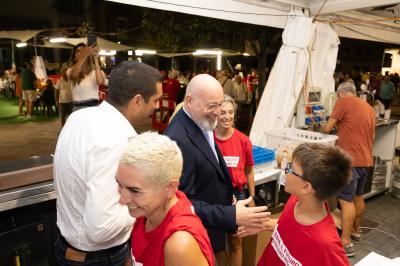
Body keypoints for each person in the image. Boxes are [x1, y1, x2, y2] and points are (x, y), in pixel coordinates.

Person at [53, 61, 163, 266]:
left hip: (68, 247)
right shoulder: (117, 140)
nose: (157, 107)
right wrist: (148, 205)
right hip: (98, 257)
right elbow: (101, 228)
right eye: (156, 100)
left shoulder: (78, 117)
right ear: (138, 100)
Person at [165, 74, 269, 266]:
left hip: (214, 222)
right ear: (189, 101)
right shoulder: (178, 139)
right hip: (199, 231)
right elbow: (180, 203)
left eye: (220, 104)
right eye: (212, 106)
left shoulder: (200, 119)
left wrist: (227, 197)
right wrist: (230, 214)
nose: (218, 112)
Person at [117, 132, 215, 266]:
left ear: (169, 188)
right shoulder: (148, 209)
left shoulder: (179, 244)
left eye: (134, 190)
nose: (122, 200)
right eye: (119, 185)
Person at [253, 143, 351, 266]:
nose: (285, 170)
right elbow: (292, 228)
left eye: (291, 169)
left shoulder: (326, 245)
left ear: (306, 187)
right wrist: (264, 224)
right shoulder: (296, 199)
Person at [321, 81, 375, 257]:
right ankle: (355, 231)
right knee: (358, 196)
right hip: (366, 160)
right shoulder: (368, 107)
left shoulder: (343, 102)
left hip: (350, 161)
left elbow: (327, 128)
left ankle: (345, 242)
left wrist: (322, 125)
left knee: (345, 201)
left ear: (341, 94)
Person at [214, 95, 255, 266]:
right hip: (215, 194)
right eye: (223, 112)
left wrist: (251, 197)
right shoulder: (209, 139)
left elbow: (249, 170)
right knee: (217, 244)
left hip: (238, 195)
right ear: (216, 113)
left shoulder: (243, 140)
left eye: (230, 112)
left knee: (236, 241)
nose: (227, 117)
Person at [68, 42, 104, 111]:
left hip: (93, 108)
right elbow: (74, 75)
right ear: (75, 57)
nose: (82, 52)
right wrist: (83, 55)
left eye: (84, 50)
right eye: (79, 51)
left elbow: (100, 82)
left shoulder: (94, 72)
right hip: (78, 110)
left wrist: (95, 58)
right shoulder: (70, 71)